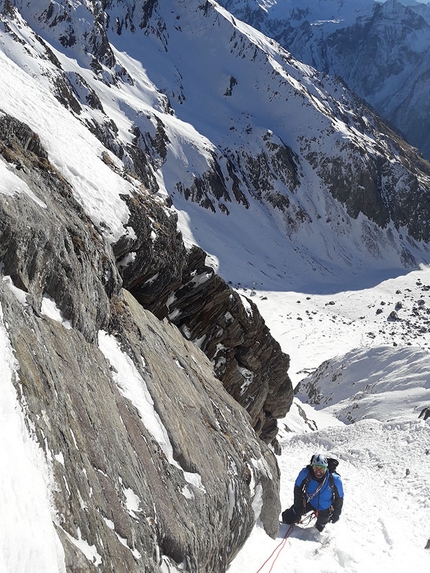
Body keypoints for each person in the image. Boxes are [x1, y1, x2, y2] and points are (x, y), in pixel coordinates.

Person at [281, 453, 344, 532]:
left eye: (321, 468)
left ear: (326, 468)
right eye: (316, 468)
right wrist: (297, 508)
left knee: (319, 529)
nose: (318, 471)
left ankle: (319, 524)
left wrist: (336, 514)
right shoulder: (306, 473)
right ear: (312, 467)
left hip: (325, 506)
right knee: (288, 518)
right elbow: (297, 490)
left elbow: (339, 498)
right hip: (309, 502)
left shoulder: (335, 479)